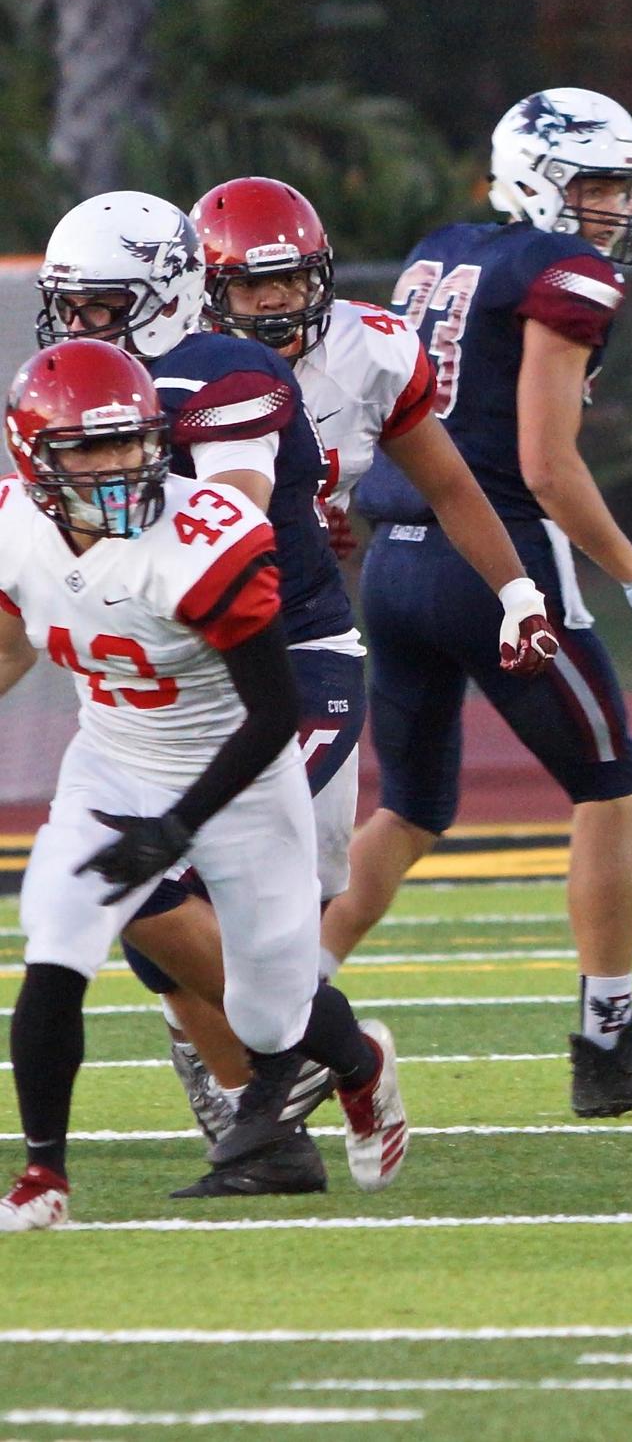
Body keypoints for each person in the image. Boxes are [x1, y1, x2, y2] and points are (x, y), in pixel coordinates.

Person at [89, 176, 563, 1145]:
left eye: (289, 282)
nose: (276, 305)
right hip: (188, 653)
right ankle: (275, 1084)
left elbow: (444, 479)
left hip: (295, 645)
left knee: (228, 894)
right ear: (198, 291)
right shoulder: (164, 371)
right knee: (159, 928)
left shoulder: (369, 352)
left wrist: (519, 594)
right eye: (252, 288)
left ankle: (288, 1081)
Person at [323, 89, 632, 1119]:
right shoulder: (564, 273)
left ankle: (280, 1010)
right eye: (593, 186)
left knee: (409, 809)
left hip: (396, 558)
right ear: (538, 175)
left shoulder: (440, 251)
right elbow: (547, 466)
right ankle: (610, 1045)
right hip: (491, 560)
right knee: (609, 782)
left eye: (617, 190)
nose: (609, 211)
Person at [0, 340, 407, 1229]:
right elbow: (6, 646)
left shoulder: (204, 538)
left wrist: (179, 826)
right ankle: (43, 1177)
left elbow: (271, 715)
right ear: (36, 459)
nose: (118, 465)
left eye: (131, 442)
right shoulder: (13, 528)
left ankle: (359, 1063)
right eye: (89, 449)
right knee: (58, 941)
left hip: (242, 774)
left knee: (269, 1013)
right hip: (111, 762)